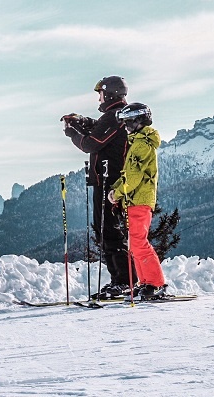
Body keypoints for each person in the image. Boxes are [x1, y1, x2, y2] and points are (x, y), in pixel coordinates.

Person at [61, 76, 132, 299]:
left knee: (109, 232)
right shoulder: (115, 116)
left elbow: (91, 143)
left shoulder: (114, 116)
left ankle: (124, 281)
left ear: (109, 94)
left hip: (110, 183)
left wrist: (73, 132)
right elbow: (99, 130)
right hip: (107, 181)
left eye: (100, 93)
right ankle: (120, 280)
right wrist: (82, 121)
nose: (98, 98)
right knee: (104, 231)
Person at [108, 102, 167, 300]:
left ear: (139, 121)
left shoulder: (141, 145)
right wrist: (115, 188)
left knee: (139, 243)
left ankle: (156, 283)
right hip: (134, 200)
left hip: (140, 200)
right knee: (135, 244)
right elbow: (128, 174)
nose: (125, 127)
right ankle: (146, 283)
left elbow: (133, 177)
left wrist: (117, 193)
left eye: (128, 123)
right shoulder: (137, 143)